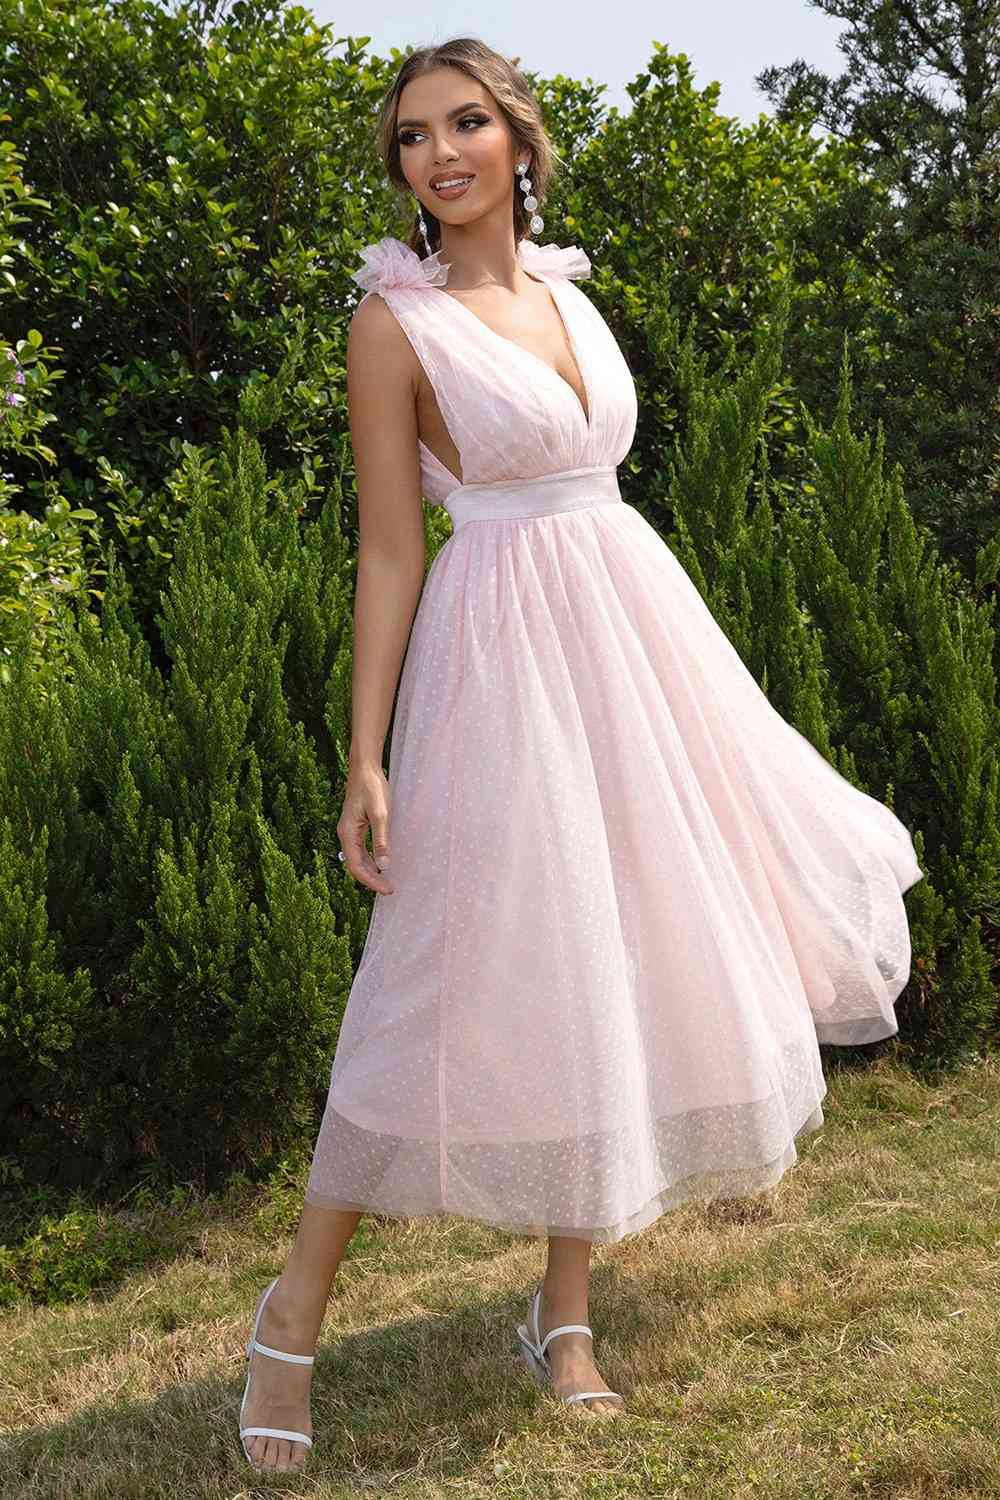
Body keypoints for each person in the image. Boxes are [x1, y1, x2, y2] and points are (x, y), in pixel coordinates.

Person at [237, 36, 925, 1473]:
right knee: (427, 974)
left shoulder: (571, 294)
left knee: (602, 954)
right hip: (496, 660)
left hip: (630, 641)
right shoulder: (392, 325)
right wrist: (366, 758)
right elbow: (387, 552)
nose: (439, 153)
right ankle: (289, 1318)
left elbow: (589, 487)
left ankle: (565, 1316)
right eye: (413, 136)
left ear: (519, 140)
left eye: (464, 123)